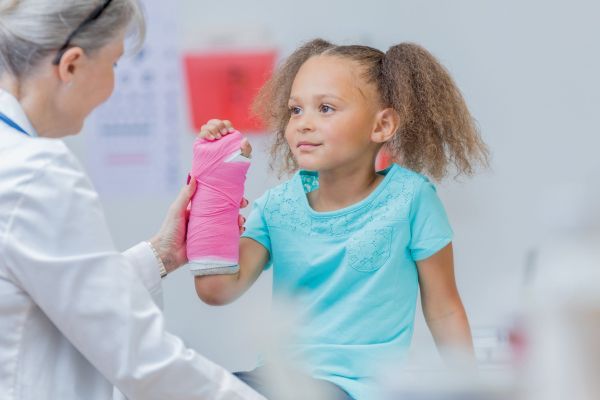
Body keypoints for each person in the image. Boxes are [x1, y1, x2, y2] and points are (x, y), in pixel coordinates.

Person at [194, 38, 490, 400]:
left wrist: (473, 390)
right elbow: (216, 289)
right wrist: (214, 185)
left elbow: (444, 310)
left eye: (326, 108)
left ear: (381, 126)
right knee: (188, 388)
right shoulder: (277, 207)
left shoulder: (411, 200)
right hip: (278, 383)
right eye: (296, 110)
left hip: (363, 390)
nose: (303, 124)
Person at [0, 1, 264, 399]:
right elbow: (142, 357)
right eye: (114, 65)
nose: (113, 85)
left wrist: (163, 253)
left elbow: (49, 292)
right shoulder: (36, 171)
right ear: (71, 65)